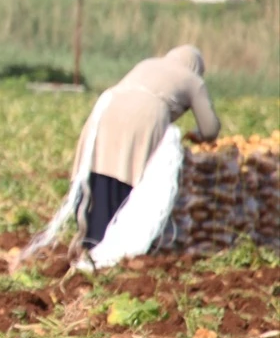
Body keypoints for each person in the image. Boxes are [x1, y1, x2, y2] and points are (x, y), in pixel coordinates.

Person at [69, 44, 220, 250]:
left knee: (102, 164)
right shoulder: (193, 80)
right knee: (130, 172)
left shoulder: (148, 63)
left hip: (108, 105)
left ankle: (91, 236)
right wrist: (197, 135)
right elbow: (210, 129)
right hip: (146, 113)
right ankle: (117, 243)